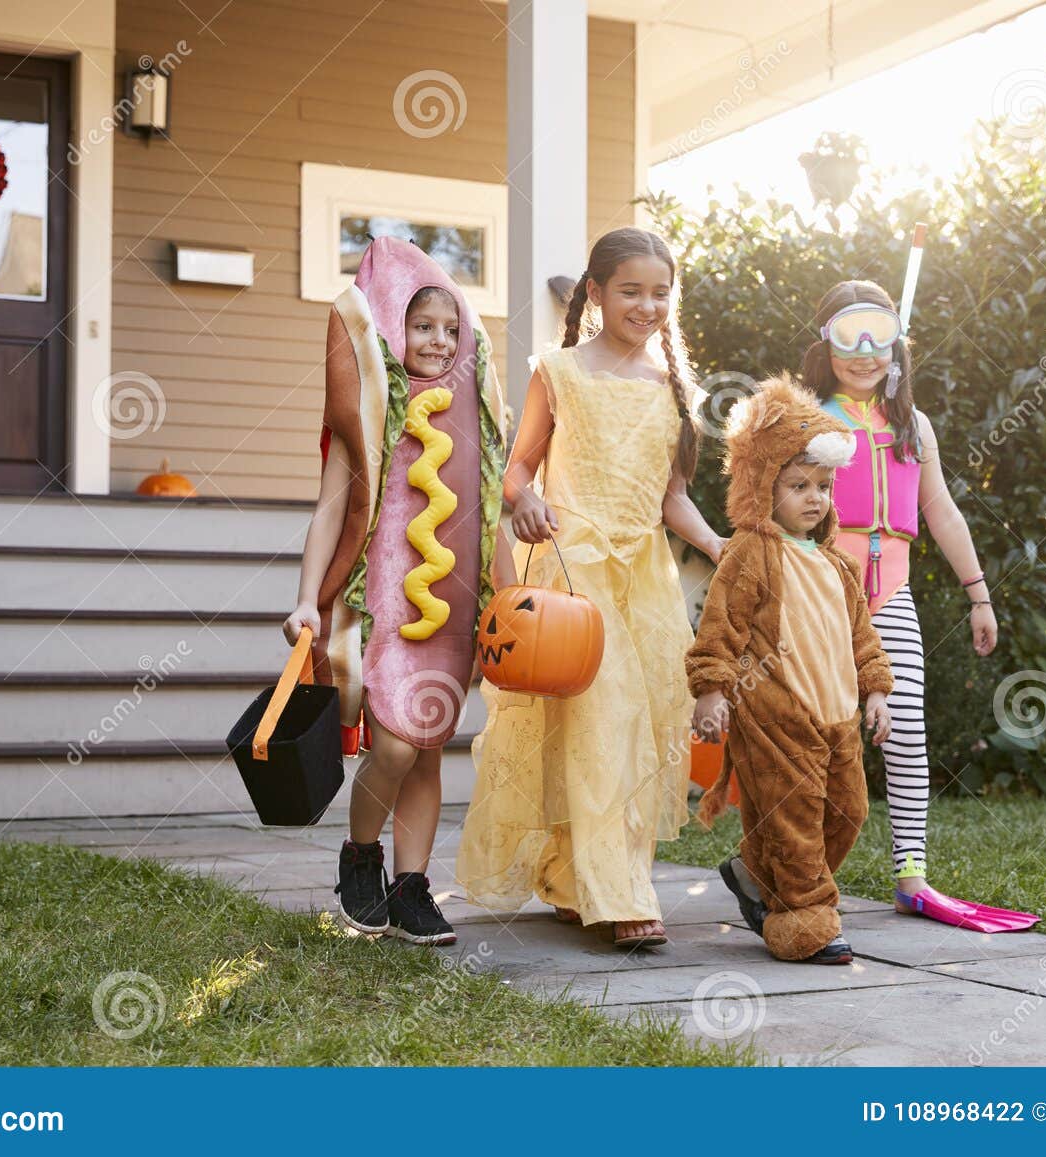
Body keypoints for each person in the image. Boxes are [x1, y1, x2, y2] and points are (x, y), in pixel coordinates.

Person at [455, 226, 725, 949]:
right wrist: (526, 499)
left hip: (646, 577)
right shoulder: (560, 370)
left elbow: (671, 497)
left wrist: (715, 542)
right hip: (574, 572)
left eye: (661, 293)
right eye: (631, 291)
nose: (647, 305)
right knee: (599, 721)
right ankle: (623, 895)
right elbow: (517, 469)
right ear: (596, 293)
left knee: (639, 734)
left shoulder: (673, 388)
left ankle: (578, 878)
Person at [283, 238, 507, 947]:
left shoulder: (471, 420)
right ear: (389, 329)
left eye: (451, 329)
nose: (439, 341)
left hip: (451, 612)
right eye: (422, 326)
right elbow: (329, 509)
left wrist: (509, 599)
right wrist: (305, 598)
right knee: (399, 746)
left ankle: (411, 886)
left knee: (431, 747)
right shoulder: (371, 415)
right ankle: (360, 856)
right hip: (382, 608)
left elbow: (493, 509)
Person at [805, 279, 1038, 932]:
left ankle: (911, 874)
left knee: (905, 730)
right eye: (850, 334)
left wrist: (979, 594)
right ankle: (794, 870)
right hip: (821, 597)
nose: (865, 351)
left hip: (891, 599)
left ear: (897, 345)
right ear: (826, 344)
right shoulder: (808, 420)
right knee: (815, 735)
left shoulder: (915, 426)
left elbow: (940, 510)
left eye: (879, 334)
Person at [688, 378, 894, 963]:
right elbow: (720, 626)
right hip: (776, 710)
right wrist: (712, 690)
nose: (814, 498)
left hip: (837, 716)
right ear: (761, 488)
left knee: (848, 811)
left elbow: (863, 636)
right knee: (794, 816)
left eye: (823, 486)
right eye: (797, 485)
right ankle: (805, 919)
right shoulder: (751, 552)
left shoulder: (837, 564)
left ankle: (755, 873)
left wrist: (876, 690)